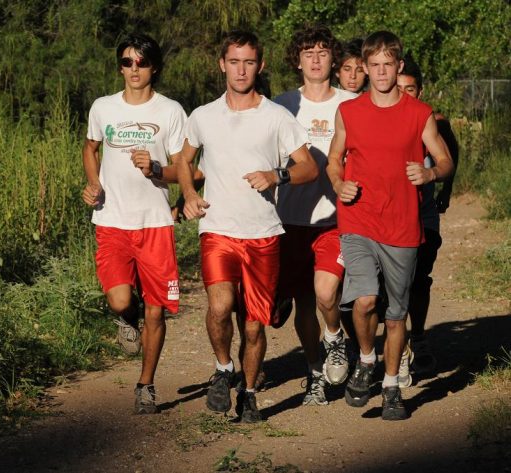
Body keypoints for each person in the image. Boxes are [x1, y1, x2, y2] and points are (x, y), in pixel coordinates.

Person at [177, 30, 317, 423]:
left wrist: (277, 176)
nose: (241, 70)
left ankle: (250, 395)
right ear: (222, 64)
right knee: (220, 306)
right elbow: (185, 160)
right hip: (218, 229)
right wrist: (189, 195)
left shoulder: (276, 116)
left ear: (261, 65)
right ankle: (224, 370)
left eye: (249, 62)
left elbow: (309, 166)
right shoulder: (203, 115)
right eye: (234, 61)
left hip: (263, 235)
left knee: (254, 328)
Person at [326, 31, 454, 421]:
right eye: (374, 66)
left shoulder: (419, 113)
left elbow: (445, 161)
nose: (381, 73)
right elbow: (334, 158)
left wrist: (429, 175)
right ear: (364, 68)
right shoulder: (349, 111)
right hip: (359, 219)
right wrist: (338, 183)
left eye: (388, 65)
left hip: (402, 225)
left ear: (399, 67)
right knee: (364, 300)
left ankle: (392, 386)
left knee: (396, 314)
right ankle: (367, 359)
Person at [81, 33, 187, 415]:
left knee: (157, 312)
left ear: (154, 66)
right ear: (120, 67)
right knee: (121, 298)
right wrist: (93, 183)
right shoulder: (103, 108)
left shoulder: (171, 111)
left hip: (155, 224)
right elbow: (89, 148)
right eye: (127, 62)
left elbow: (185, 170)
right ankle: (127, 316)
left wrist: (157, 168)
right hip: (111, 220)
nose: (134, 69)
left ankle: (146, 384)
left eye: (141, 62)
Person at [272, 25, 357, 406]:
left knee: (327, 294)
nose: (316, 59)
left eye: (323, 52)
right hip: (289, 221)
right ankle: (315, 374)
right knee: (303, 305)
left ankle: (336, 338)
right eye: (308, 52)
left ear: (333, 59)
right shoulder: (281, 105)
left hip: (335, 220)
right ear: (297, 60)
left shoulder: (351, 103)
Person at [396, 53, 459, 380]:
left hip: (423, 216)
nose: (405, 94)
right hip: (388, 220)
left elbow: (450, 154)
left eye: (411, 89)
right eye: (399, 88)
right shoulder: (379, 118)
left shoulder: (433, 121)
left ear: (419, 91)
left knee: (418, 279)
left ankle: (417, 337)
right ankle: (395, 342)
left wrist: (440, 187)